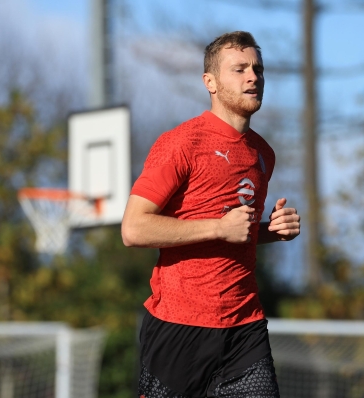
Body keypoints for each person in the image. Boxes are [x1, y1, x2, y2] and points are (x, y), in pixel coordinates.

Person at [121, 31, 301, 398]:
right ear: (211, 82)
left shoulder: (263, 154)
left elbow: (238, 230)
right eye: (239, 69)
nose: (253, 77)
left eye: (257, 69)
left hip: (244, 329)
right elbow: (134, 228)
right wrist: (219, 228)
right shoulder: (182, 143)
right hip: (178, 328)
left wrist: (271, 230)